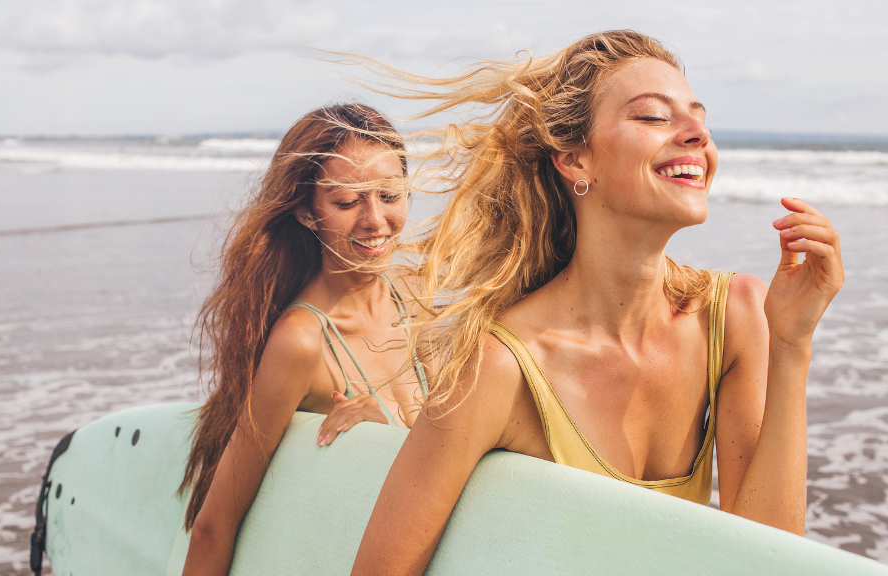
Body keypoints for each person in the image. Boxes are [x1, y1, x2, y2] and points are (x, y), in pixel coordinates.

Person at [350, 30, 844, 575]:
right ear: (575, 160)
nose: (697, 133)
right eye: (654, 117)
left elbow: (765, 557)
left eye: (699, 117)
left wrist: (793, 346)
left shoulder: (737, 315)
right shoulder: (501, 366)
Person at [177, 103, 428, 576]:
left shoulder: (418, 299)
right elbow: (217, 522)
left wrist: (388, 424)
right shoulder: (301, 341)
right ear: (306, 212)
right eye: (348, 202)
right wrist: (364, 445)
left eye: (390, 195)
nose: (375, 220)